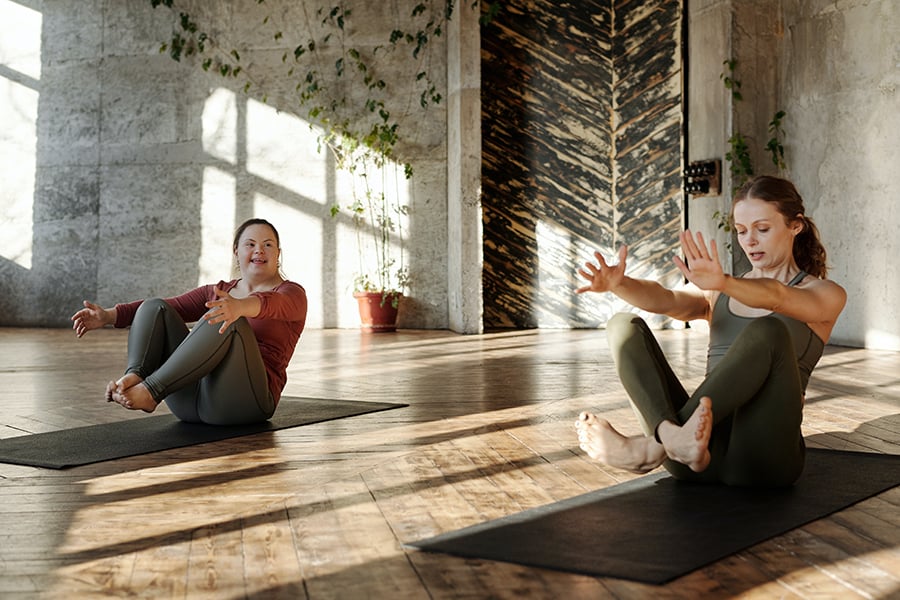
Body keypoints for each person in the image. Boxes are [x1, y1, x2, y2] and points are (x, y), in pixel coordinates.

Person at [574, 176, 847, 486]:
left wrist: (726, 283)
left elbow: (778, 296)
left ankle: (653, 447)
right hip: (694, 453)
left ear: (795, 225)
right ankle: (670, 437)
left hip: (763, 460)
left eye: (763, 229)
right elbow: (666, 299)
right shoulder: (719, 292)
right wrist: (619, 284)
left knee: (768, 330)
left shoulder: (825, 294)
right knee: (622, 325)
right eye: (742, 231)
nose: (750, 241)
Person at [71, 218, 308, 426]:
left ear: (278, 254)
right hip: (190, 404)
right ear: (236, 251)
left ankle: (152, 390)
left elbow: (270, 303)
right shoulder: (217, 291)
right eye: (250, 244)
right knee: (155, 307)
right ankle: (136, 375)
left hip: (245, 404)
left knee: (226, 317)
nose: (259, 250)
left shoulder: (292, 294)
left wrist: (239, 307)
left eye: (268, 245)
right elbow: (162, 310)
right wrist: (107, 316)